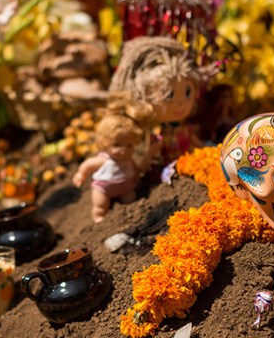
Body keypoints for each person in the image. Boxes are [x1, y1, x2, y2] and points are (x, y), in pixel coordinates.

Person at [109, 36, 217, 172]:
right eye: (168, 95)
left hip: (189, 164)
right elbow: (149, 155)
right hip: (167, 169)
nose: (180, 103)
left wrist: (210, 154)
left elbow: (199, 146)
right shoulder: (157, 136)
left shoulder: (186, 130)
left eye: (187, 92)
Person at [72, 94, 154, 223]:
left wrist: (137, 173)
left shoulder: (128, 159)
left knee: (130, 197)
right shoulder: (103, 160)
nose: (123, 150)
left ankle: (130, 209)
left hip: (125, 185)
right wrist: (81, 174)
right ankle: (99, 216)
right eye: (117, 145)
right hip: (104, 188)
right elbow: (88, 164)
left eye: (129, 145)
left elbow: (134, 167)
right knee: (100, 203)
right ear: (104, 143)